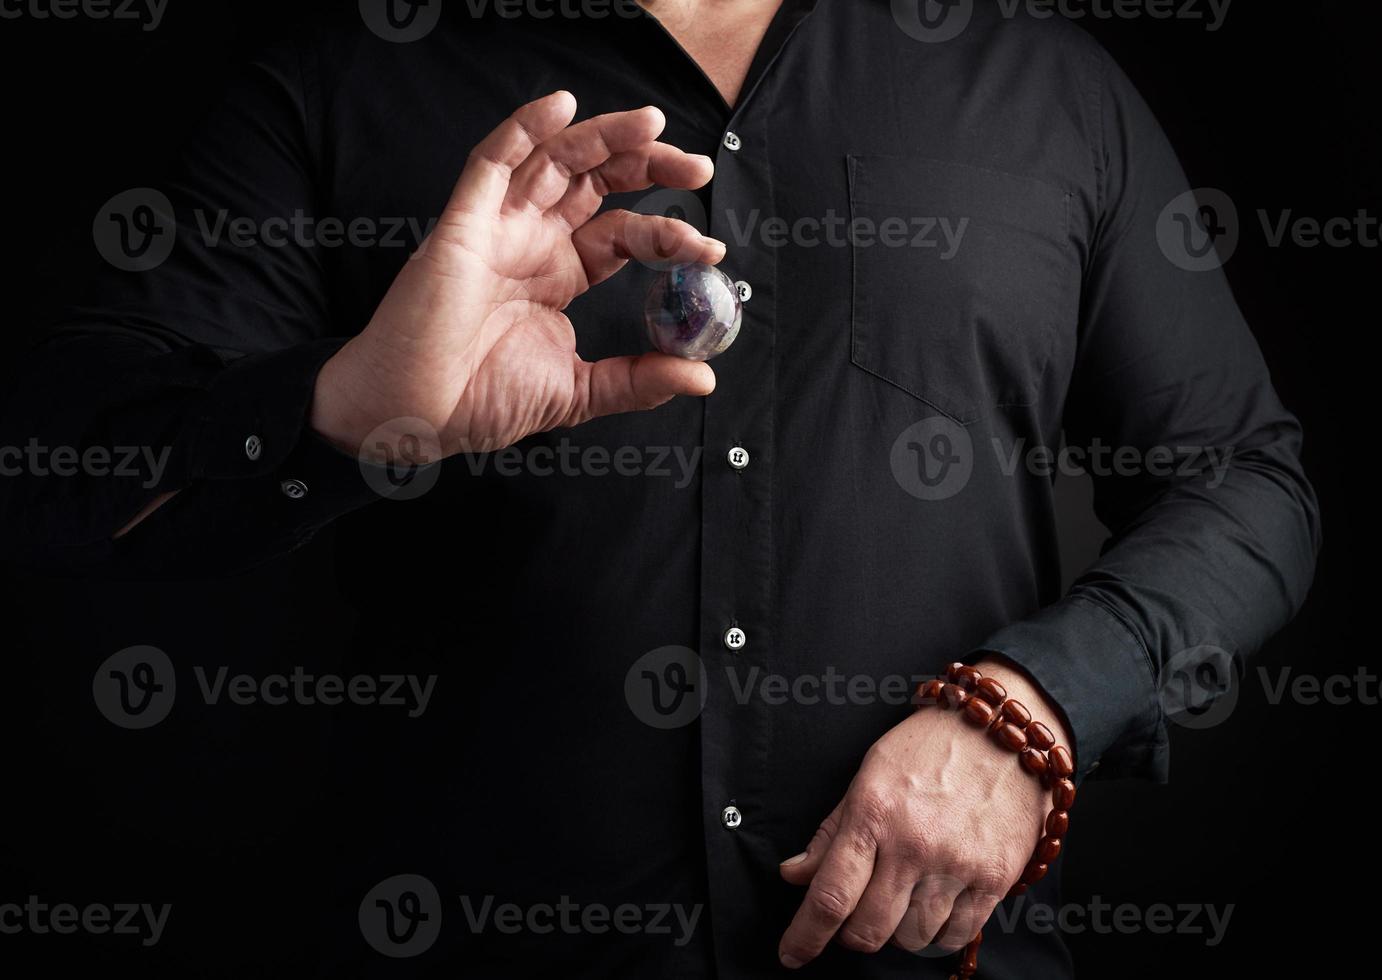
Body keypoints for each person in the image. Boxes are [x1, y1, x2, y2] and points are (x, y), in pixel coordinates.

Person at [0, 2, 1319, 976]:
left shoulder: (1041, 85)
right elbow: (72, 485)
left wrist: (1030, 708)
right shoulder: (340, 83)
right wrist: (354, 408)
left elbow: (1246, 482)